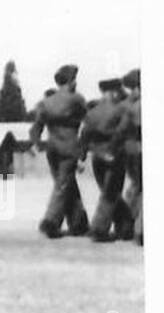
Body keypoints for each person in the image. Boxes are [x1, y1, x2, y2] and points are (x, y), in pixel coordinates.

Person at [31, 64, 89, 238]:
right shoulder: (76, 99)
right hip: (69, 148)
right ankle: (50, 222)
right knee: (63, 185)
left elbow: (36, 127)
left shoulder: (45, 102)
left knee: (66, 183)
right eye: (74, 79)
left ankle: (79, 222)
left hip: (52, 148)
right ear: (70, 81)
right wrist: (83, 150)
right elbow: (88, 122)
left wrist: (36, 143)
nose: (76, 83)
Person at [81, 78, 133, 242]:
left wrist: (82, 158)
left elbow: (84, 136)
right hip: (114, 154)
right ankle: (99, 228)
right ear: (114, 92)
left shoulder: (92, 112)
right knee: (110, 194)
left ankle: (126, 225)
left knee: (109, 192)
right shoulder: (120, 110)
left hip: (97, 157)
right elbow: (122, 132)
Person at [116, 69, 142, 245]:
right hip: (140, 149)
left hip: (128, 149)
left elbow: (120, 131)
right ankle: (139, 229)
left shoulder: (125, 105)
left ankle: (126, 224)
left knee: (135, 186)